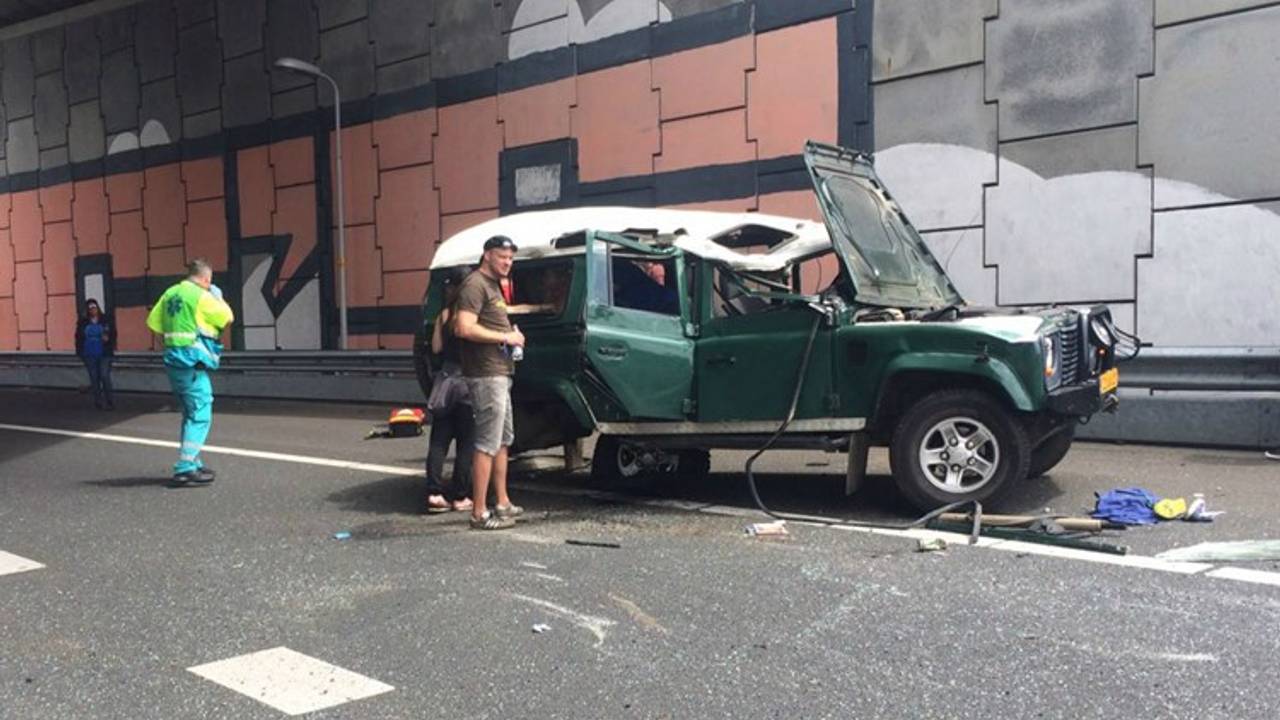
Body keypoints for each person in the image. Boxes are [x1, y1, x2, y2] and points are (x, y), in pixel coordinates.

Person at [454, 235, 526, 530]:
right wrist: (505, 337)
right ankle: (479, 513)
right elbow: (464, 327)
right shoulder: (474, 284)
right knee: (486, 443)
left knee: (503, 441)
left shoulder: (495, 285)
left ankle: (503, 502)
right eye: (502, 257)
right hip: (486, 374)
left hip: (500, 370)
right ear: (487, 256)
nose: (507, 262)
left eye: (510, 258)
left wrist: (512, 334)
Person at [145, 259, 234, 488]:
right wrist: (218, 296)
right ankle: (185, 469)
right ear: (205, 279)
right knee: (201, 411)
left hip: (174, 362)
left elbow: (154, 324)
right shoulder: (201, 296)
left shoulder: (170, 293)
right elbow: (227, 317)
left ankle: (193, 461)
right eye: (209, 282)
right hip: (191, 364)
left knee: (190, 411)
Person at [424, 268, 476, 513]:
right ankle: (461, 496)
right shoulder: (472, 315)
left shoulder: (443, 315)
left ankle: (434, 494)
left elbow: (436, 348)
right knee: (467, 443)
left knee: (439, 441)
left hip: (445, 381)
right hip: (468, 382)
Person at [75, 299, 116, 410]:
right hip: (89, 353)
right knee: (94, 377)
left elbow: (113, 334)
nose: (93, 310)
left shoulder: (105, 320)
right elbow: (78, 338)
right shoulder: (83, 323)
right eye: (90, 308)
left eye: (94, 307)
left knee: (104, 375)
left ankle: (110, 400)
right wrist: (80, 353)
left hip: (104, 353)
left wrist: (108, 339)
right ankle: (98, 401)